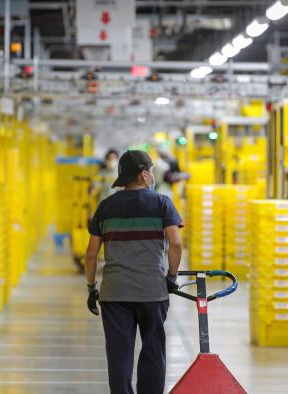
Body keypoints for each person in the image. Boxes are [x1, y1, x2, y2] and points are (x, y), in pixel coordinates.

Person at [84, 150, 184, 394]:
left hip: (115, 293)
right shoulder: (162, 203)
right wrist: (171, 277)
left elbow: (90, 254)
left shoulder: (106, 206)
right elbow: (176, 243)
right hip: (152, 292)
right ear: (144, 174)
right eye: (150, 170)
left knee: (119, 355)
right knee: (153, 351)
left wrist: (91, 288)